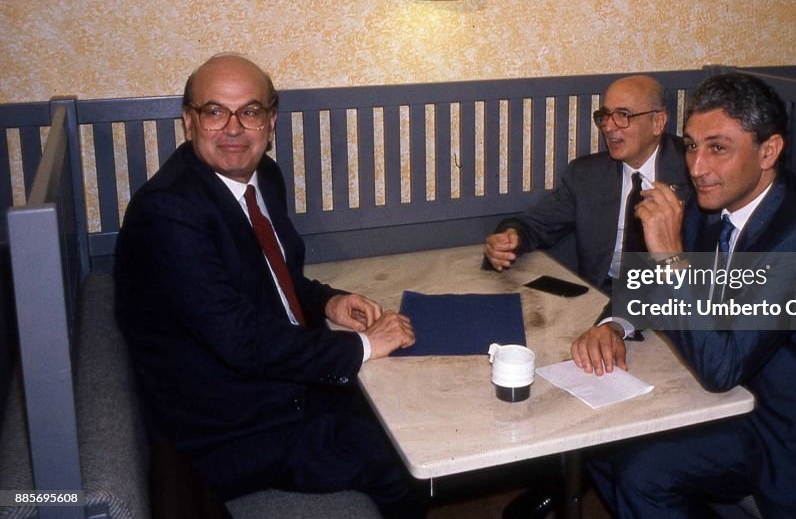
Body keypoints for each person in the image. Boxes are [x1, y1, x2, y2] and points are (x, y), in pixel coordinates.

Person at [115, 54, 424, 518]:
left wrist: (329, 303)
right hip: (224, 428)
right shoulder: (170, 213)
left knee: (409, 405)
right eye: (215, 111)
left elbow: (273, 279)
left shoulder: (263, 177)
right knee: (394, 457)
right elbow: (241, 341)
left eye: (251, 111)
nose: (233, 128)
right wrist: (360, 347)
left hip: (270, 384)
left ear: (271, 121)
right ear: (189, 121)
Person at [572, 72, 796, 518]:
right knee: (603, 445)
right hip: (734, 402)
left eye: (718, 148)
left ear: (768, 151)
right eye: (691, 145)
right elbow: (644, 284)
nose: (697, 167)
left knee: (644, 473)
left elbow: (720, 367)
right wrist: (612, 325)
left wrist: (669, 257)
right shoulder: (716, 205)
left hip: (794, 431)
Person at [484, 74, 688, 292]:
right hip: (601, 296)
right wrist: (510, 238)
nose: (608, 127)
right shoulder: (587, 175)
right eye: (604, 116)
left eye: (623, 115)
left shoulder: (694, 173)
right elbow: (536, 225)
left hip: (671, 302)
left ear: (657, 122)